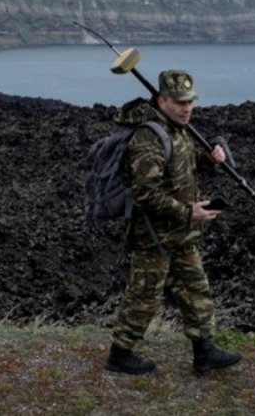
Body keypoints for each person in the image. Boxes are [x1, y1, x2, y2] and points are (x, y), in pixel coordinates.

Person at [104, 69, 243, 376]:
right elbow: (145, 194)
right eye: (179, 101)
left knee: (196, 290)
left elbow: (184, 171)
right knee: (144, 296)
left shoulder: (179, 131)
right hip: (153, 237)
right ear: (162, 100)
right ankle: (120, 354)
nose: (187, 107)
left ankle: (204, 352)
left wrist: (208, 161)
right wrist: (188, 213)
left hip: (181, 235)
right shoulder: (148, 137)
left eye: (190, 101)